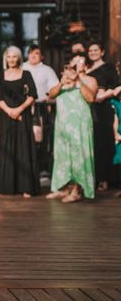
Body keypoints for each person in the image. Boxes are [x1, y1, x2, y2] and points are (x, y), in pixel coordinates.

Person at [46, 54, 97, 202]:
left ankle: (77, 190)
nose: (75, 64)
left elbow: (91, 98)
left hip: (80, 124)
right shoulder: (63, 81)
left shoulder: (89, 80)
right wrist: (62, 83)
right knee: (62, 157)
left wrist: (78, 81)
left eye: (79, 62)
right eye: (73, 61)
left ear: (86, 66)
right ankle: (63, 188)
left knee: (79, 156)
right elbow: (51, 95)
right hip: (63, 124)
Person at [0, 46, 40, 197]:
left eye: (14, 56)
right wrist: (9, 111)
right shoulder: (2, 75)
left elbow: (33, 95)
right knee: (8, 148)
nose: (11, 59)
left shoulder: (26, 74)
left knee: (24, 147)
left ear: (19, 58)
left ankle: (26, 187)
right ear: (5, 58)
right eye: (9, 57)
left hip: (23, 115)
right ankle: (7, 187)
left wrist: (18, 110)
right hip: (6, 116)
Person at [86, 43, 120, 191]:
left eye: (96, 50)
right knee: (90, 142)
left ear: (102, 52)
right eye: (90, 50)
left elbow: (118, 86)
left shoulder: (108, 68)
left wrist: (104, 95)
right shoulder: (85, 69)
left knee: (103, 142)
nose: (93, 53)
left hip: (103, 107)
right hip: (87, 108)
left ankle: (104, 179)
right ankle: (91, 178)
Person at [22, 45, 59, 174]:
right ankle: (26, 168)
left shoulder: (47, 70)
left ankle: (42, 169)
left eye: (36, 53)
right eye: (30, 53)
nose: (33, 55)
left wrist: (49, 98)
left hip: (41, 108)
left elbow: (54, 89)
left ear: (41, 56)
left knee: (42, 139)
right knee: (25, 138)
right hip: (24, 108)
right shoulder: (22, 68)